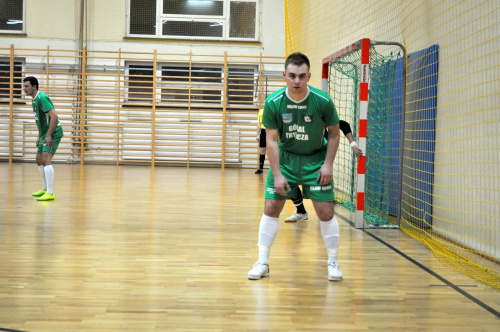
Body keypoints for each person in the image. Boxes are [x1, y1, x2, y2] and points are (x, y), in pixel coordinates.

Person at [247, 52, 343, 281]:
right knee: (271, 208)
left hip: (315, 160)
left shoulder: (323, 101)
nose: (296, 81)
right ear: (284, 76)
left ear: (309, 76)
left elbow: (334, 133)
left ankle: (333, 263)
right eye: (292, 76)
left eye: (301, 76)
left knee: (326, 212)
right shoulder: (273, 102)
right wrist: (277, 174)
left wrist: (328, 164)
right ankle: (262, 262)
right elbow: (270, 140)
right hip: (286, 159)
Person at [285, 120, 363, 222]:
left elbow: (343, 124)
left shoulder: (318, 117)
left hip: (319, 157)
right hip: (300, 155)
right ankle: (301, 212)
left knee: (321, 187)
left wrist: (353, 144)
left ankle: (326, 217)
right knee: (288, 182)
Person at [23, 76, 64, 201]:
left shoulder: (42, 98)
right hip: (44, 133)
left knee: (46, 158)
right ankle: (45, 188)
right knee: (39, 159)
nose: (24, 88)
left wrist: (49, 136)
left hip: (54, 132)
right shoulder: (34, 100)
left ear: (34, 87)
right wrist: (39, 135)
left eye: (26, 86)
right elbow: (41, 120)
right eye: (23, 86)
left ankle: (50, 193)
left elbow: (54, 117)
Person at [255, 108, 266, 174]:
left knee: (274, 151)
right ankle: (261, 168)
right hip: (264, 131)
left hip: (272, 131)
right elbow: (259, 123)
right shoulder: (261, 111)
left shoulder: (274, 110)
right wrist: (257, 134)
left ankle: (275, 169)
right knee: (262, 150)